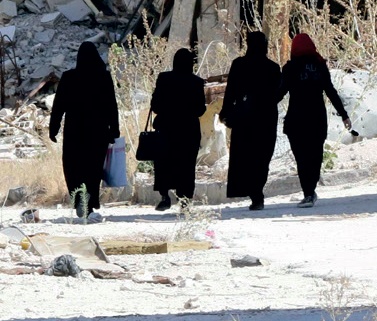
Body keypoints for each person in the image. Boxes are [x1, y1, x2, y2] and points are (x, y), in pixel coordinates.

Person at [48, 41, 119, 217]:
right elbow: (112, 106)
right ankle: (90, 199)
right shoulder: (104, 77)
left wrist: (54, 128)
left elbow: (59, 106)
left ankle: (80, 197)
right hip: (98, 131)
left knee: (74, 165)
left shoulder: (69, 77)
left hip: (75, 131)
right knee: (93, 167)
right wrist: (114, 129)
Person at [281, 33, 352, 208]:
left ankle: (308, 192)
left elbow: (279, 92)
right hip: (316, 119)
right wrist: (344, 115)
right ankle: (310, 191)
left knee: (301, 157)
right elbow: (331, 91)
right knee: (315, 155)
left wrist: (261, 109)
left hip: (296, 119)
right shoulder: (320, 67)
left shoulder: (290, 68)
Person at [221, 30, 283, 211]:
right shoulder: (272, 67)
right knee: (262, 156)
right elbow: (278, 93)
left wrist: (225, 112)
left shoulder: (239, 64)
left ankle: (254, 193)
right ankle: (257, 191)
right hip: (266, 119)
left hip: (243, 118)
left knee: (245, 156)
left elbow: (230, 91)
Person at [148, 48, 207, 211]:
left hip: (166, 130)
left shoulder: (164, 78)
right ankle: (185, 200)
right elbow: (201, 109)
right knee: (187, 166)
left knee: (164, 163)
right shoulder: (196, 82)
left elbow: (155, 106)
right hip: (189, 131)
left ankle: (165, 196)